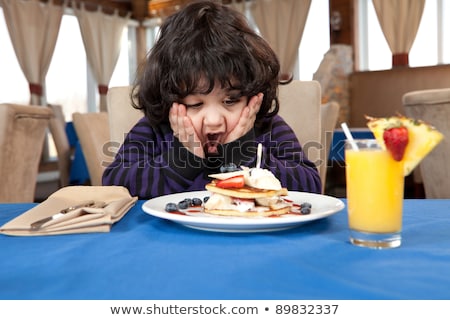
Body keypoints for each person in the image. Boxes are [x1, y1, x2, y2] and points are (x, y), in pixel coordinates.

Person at [102, 0, 321, 199]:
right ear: (168, 100)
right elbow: (114, 184)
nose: (214, 120)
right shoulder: (155, 129)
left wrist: (245, 157)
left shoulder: (266, 127)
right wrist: (180, 162)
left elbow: (311, 185)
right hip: (173, 240)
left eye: (231, 101)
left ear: (251, 97)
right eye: (195, 104)